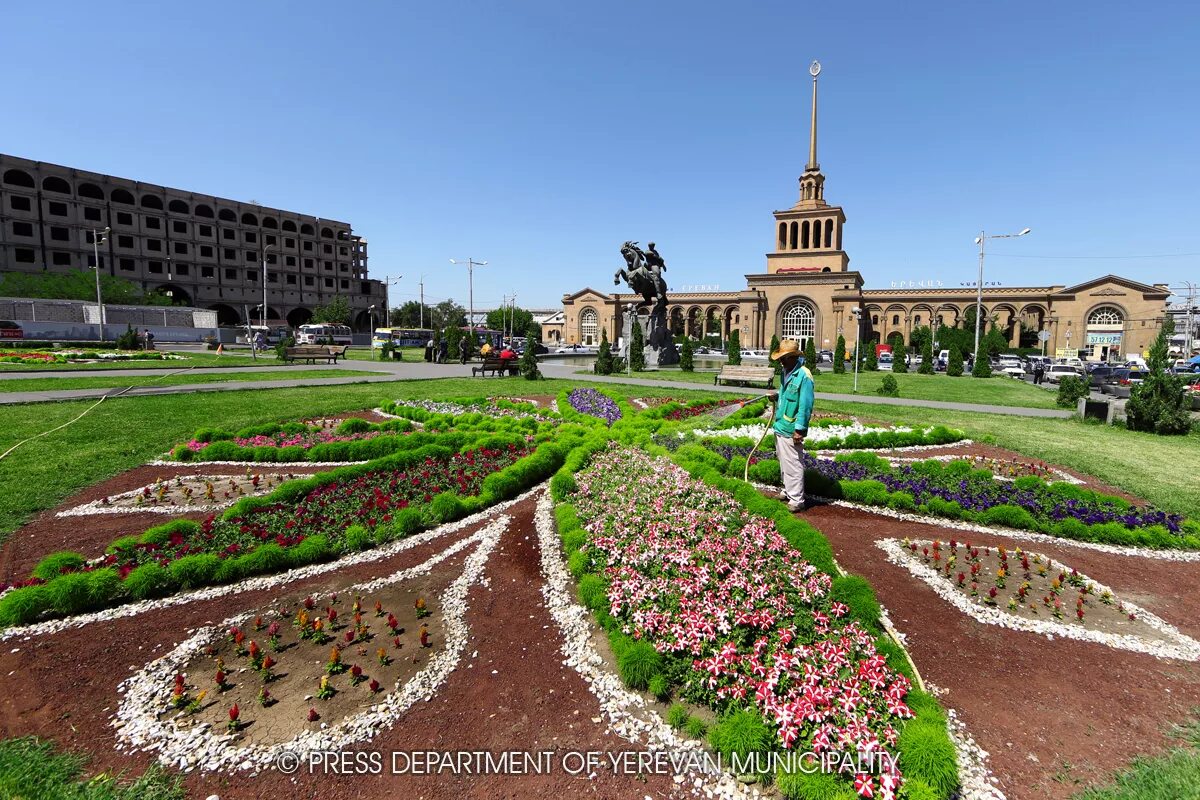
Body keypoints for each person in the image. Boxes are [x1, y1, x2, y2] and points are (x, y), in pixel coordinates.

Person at [767, 339, 815, 512]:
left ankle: (797, 500)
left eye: (784, 358)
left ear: (794, 357)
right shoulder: (785, 371)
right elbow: (786, 393)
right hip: (780, 424)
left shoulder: (804, 376)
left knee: (793, 463)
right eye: (780, 357)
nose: (781, 360)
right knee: (783, 461)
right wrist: (776, 396)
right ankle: (787, 490)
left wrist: (799, 429)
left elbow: (805, 405)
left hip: (791, 428)